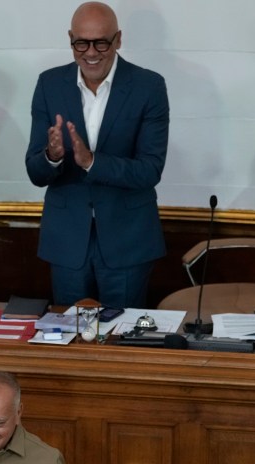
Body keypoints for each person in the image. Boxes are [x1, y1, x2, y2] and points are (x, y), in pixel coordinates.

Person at [25, 2, 170, 309]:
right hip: (66, 241)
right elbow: (35, 172)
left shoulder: (149, 86)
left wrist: (92, 162)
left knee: (123, 341)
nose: (90, 53)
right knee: (69, 338)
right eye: (81, 43)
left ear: (118, 39)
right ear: (70, 39)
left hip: (128, 240)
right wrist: (52, 155)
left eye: (101, 42)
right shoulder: (49, 84)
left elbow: (149, 170)